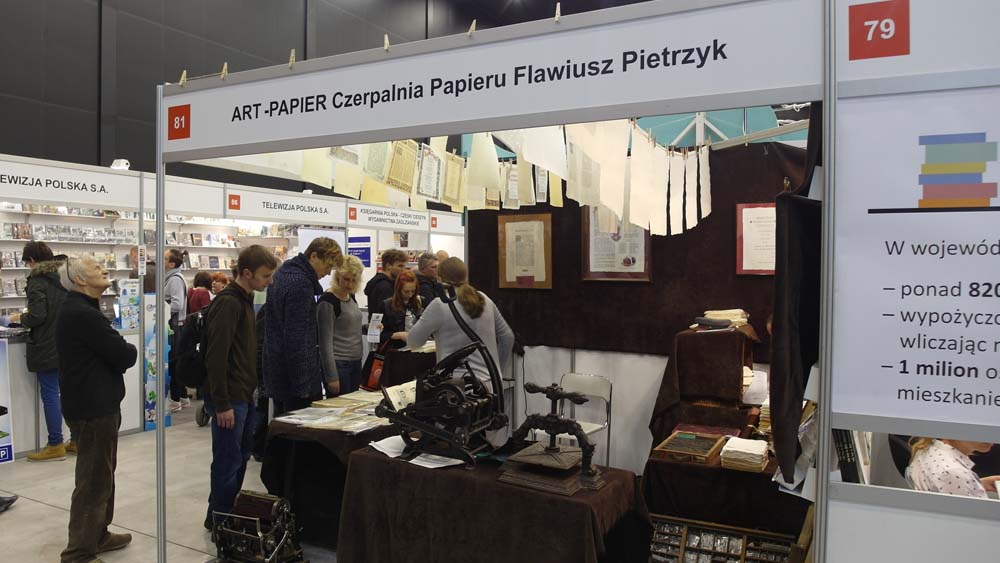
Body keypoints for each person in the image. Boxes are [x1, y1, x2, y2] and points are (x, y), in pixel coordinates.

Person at [56, 255, 138, 563]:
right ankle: (78, 553)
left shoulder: (82, 309)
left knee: (102, 475)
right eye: (96, 268)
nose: (104, 270)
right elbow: (123, 354)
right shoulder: (82, 314)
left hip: (96, 404)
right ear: (79, 279)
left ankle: (98, 535)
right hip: (93, 407)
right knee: (93, 481)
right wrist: (126, 349)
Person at [203, 245, 277, 531]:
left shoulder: (245, 299)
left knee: (239, 458)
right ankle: (222, 524)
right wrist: (221, 403)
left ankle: (220, 516)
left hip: (243, 396)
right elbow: (216, 356)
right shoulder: (229, 303)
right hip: (229, 399)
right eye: (265, 276)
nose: (269, 281)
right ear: (247, 273)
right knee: (227, 462)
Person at [405, 257, 513, 389]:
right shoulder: (484, 299)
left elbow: (413, 342)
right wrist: (497, 370)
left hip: (457, 386)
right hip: (490, 385)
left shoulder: (440, 304)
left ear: (440, 278)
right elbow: (507, 337)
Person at [264, 237, 343, 416]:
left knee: (282, 423)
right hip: (297, 380)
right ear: (313, 256)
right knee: (300, 428)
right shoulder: (301, 284)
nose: (327, 273)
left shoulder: (283, 274)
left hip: (279, 372)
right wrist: (303, 387)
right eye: (327, 266)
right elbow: (297, 338)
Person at [21, 242, 73, 461]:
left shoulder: (37, 281)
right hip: (68, 343)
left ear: (32, 260)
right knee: (69, 392)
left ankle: (55, 444)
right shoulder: (65, 277)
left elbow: (37, 316)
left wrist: (20, 318)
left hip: (46, 345)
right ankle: (77, 439)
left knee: (50, 394)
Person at [318, 255, 365, 395]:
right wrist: (331, 377)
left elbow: (349, 327)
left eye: (353, 280)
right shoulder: (328, 301)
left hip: (355, 360)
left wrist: (369, 328)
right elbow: (324, 343)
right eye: (346, 279)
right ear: (338, 277)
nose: (349, 284)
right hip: (339, 363)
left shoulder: (351, 297)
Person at [906, 438, 1000, 499]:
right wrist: (963, 481)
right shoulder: (953, 472)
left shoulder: (928, 448)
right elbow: (979, 520)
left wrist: (977, 485)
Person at [163, 249, 189, 412]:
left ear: (171, 264)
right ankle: (183, 397)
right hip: (175, 325)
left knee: (173, 362)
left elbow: (177, 304)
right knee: (175, 361)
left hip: (175, 326)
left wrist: (162, 310)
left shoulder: (175, 280)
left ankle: (175, 399)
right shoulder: (172, 277)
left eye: (164, 258)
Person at [381, 270, 423, 350]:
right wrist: (398, 335)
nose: (410, 295)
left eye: (413, 291)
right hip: (395, 349)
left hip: (418, 348)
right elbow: (378, 333)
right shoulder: (387, 305)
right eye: (406, 292)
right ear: (398, 290)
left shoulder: (421, 302)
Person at [363, 248, 407, 319]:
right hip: (385, 325)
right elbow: (388, 314)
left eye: (404, 266)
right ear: (388, 266)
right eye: (400, 266)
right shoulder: (385, 286)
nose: (403, 270)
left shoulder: (378, 282)